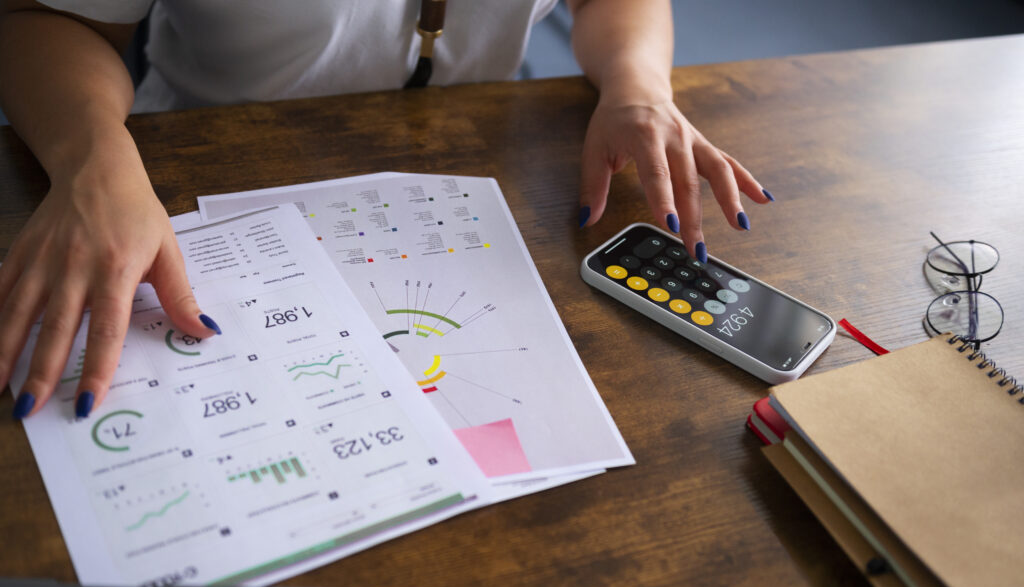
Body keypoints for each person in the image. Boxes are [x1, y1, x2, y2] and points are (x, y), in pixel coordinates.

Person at [0, 0, 772, 421]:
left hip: (468, 188)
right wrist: (91, 160)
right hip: (185, 187)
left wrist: (638, 85)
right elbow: (52, 17)